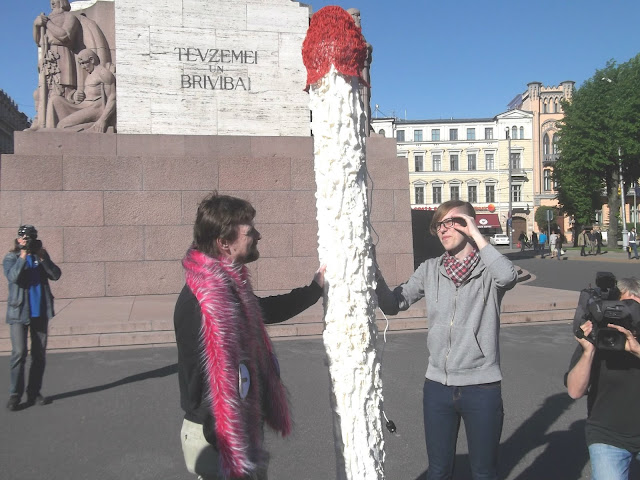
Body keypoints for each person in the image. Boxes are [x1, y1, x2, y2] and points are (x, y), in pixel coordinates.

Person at [173, 192, 325, 480]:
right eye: (249, 230)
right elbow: (203, 385)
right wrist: (229, 446)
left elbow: (264, 310)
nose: (258, 235)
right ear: (224, 243)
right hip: (217, 437)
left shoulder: (226, 287)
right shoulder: (202, 303)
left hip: (239, 428)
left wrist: (313, 290)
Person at [375, 200, 517, 480]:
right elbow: (393, 304)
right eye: (439, 224)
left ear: (469, 225)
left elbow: (508, 276)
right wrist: (373, 271)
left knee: (484, 472)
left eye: (453, 222)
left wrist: (477, 235)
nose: (443, 229)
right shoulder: (430, 269)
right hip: (437, 387)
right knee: (438, 472)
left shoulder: (488, 270)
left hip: (481, 387)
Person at [565, 277, 640, 479]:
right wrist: (588, 351)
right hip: (607, 435)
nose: (629, 314)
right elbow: (574, 391)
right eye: (624, 306)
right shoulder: (599, 335)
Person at [4, 225, 61, 411]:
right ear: (19, 239)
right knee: (19, 353)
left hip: (40, 311)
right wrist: (23, 255)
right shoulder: (11, 257)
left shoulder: (40, 256)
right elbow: (13, 277)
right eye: (25, 238)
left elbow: (56, 275)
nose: (29, 242)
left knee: (38, 355)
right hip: (19, 312)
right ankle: (15, 394)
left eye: (31, 238)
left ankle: (34, 392)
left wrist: (43, 258)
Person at [50, 49, 116, 132]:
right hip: (84, 106)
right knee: (55, 99)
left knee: (62, 125)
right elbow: (89, 94)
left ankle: (92, 127)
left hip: (95, 108)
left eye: (84, 63)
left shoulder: (103, 73)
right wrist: (76, 96)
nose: (83, 67)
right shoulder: (91, 74)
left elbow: (113, 97)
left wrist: (103, 120)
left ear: (92, 60)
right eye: (80, 64)